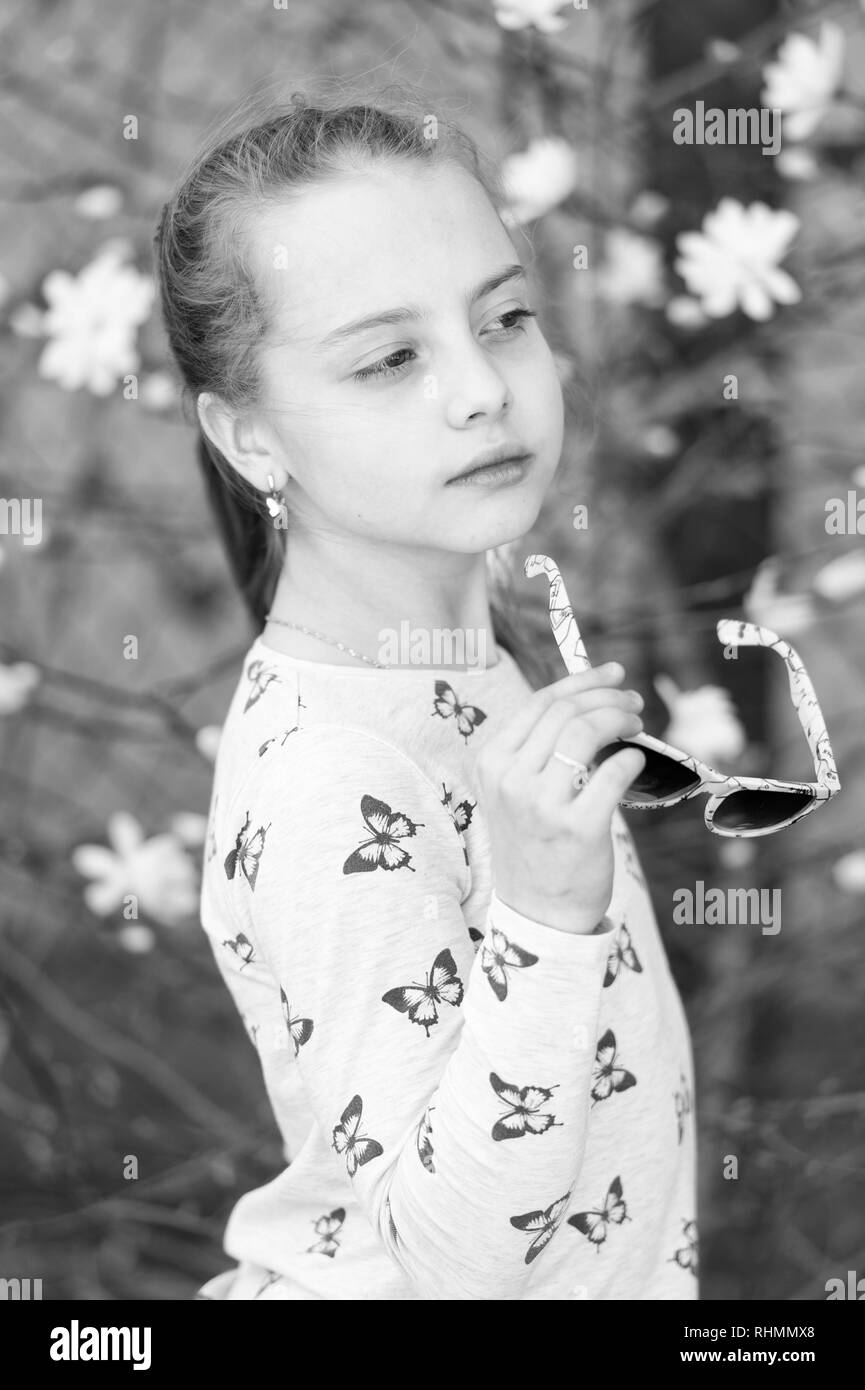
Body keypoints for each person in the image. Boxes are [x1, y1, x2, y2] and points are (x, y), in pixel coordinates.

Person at [152, 80, 697, 1301]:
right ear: (249, 438)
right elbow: (452, 1267)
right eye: (390, 357)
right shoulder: (333, 779)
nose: (480, 387)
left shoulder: (468, 654)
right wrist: (550, 915)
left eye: (503, 318)